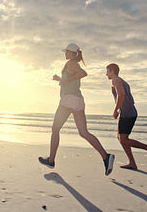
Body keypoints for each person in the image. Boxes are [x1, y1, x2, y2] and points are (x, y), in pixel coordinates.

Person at [39, 43, 115, 176]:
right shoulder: (72, 64)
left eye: (68, 52)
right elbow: (72, 78)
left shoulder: (71, 64)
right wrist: (61, 79)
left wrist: (66, 81)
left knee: (55, 129)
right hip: (78, 100)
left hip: (69, 100)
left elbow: (83, 74)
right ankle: (106, 156)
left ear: (74, 53)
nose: (66, 54)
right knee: (83, 132)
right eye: (65, 52)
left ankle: (51, 160)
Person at [106, 63, 147, 169]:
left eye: (107, 71)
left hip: (127, 113)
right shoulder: (123, 81)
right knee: (120, 138)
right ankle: (132, 163)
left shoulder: (115, 80)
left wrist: (116, 110)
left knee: (123, 139)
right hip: (129, 112)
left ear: (112, 71)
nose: (106, 74)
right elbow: (132, 99)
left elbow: (121, 94)